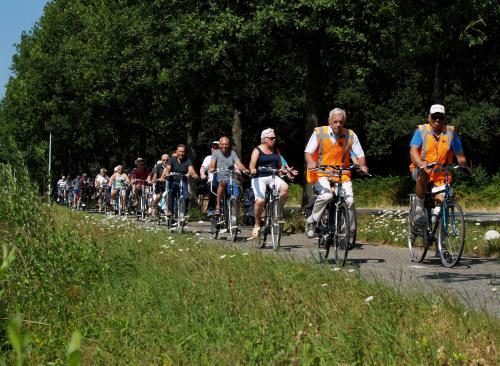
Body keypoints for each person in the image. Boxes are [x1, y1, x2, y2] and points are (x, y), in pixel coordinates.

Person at [304, 108, 369, 239]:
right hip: (321, 173)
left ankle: (347, 232)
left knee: (349, 201)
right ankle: (312, 221)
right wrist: (311, 163)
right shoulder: (319, 132)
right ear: (329, 121)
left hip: (342, 174)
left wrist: (362, 165)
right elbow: (308, 153)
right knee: (327, 196)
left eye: (341, 122)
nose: (338, 125)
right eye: (335, 122)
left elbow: (360, 154)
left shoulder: (350, 135)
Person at [409, 104, 471, 226]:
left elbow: (460, 155)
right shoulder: (421, 131)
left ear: (444, 119)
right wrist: (420, 163)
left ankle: (439, 236)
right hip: (422, 169)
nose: (437, 120)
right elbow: (413, 150)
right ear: (429, 118)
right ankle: (419, 208)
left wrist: (464, 166)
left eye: (440, 117)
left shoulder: (451, 134)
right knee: (424, 174)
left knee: (444, 199)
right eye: (434, 117)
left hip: (441, 174)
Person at [249, 128, 289, 239]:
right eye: (271, 138)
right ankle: (257, 224)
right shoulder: (257, 150)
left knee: (285, 187)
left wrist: (285, 171)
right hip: (259, 178)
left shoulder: (276, 151)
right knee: (260, 200)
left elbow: (281, 166)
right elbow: (252, 164)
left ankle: (278, 212)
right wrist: (252, 169)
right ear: (264, 139)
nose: (274, 140)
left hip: (273, 176)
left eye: (275, 138)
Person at [210, 136, 248, 215]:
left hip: (231, 177)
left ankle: (235, 218)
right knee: (222, 183)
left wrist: (245, 169)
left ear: (229, 145)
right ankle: (218, 206)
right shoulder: (215, 152)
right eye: (223, 144)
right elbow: (212, 164)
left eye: (226, 144)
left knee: (236, 196)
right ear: (219, 145)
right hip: (220, 177)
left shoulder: (233, 153)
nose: (224, 146)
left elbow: (238, 163)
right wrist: (212, 168)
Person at [160, 144, 198, 216]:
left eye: (183, 152)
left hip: (183, 181)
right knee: (170, 192)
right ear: (177, 152)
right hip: (173, 180)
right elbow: (168, 168)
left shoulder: (187, 160)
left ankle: (184, 212)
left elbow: (191, 169)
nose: (181, 153)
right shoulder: (172, 159)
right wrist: (165, 175)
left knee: (186, 197)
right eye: (180, 151)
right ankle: (170, 210)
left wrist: (194, 174)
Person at [200, 141, 219, 215]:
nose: (212, 149)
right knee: (212, 186)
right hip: (211, 180)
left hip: (223, 179)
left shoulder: (226, 157)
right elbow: (203, 168)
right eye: (211, 147)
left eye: (214, 147)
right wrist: (202, 174)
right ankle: (211, 208)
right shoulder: (208, 158)